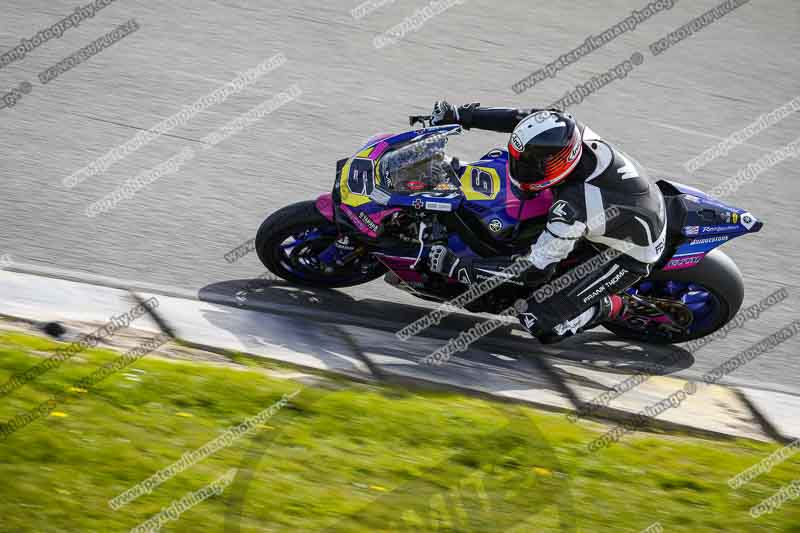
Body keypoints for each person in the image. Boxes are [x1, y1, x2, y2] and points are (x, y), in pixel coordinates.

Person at [427, 101, 667, 343]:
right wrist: (462, 115)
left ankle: (613, 305)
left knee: (539, 321)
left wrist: (461, 269)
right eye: (521, 161)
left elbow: (534, 270)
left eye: (535, 167)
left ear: (563, 161)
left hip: (627, 253)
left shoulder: (573, 208)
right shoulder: (565, 129)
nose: (523, 170)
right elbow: (518, 118)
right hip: (625, 204)